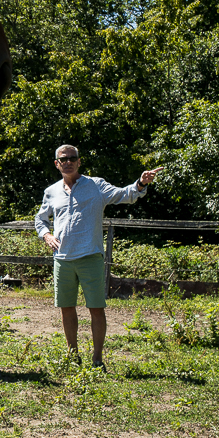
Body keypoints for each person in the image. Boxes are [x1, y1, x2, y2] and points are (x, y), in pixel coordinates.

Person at [34, 144, 162, 370]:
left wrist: (140, 183)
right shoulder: (51, 191)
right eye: (63, 159)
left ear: (79, 161)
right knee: (66, 307)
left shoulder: (96, 186)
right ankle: (73, 355)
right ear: (57, 164)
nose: (68, 162)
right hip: (62, 258)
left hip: (90, 256)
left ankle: (97, 359)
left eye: (72, 158)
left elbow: (125, 194)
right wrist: (46, 235)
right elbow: (40, 219)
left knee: (96, 308)